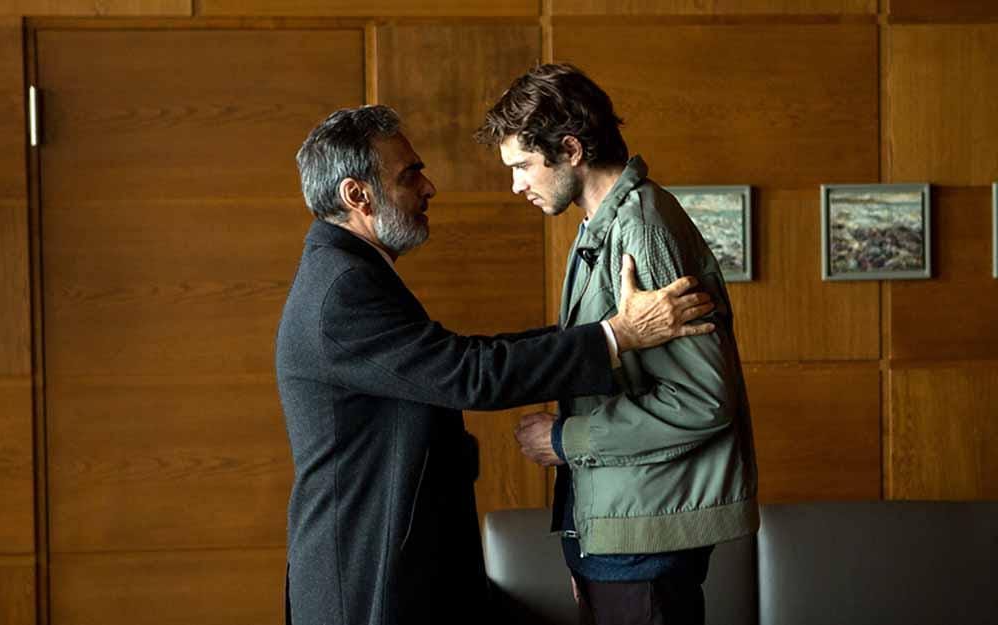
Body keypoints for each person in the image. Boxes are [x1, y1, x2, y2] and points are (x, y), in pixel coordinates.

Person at [275, 104, 718, 625]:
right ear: (357, 195)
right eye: (410, 174)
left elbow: (458, 358)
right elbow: (469, 375)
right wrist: (617, 335)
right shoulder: (342, 288)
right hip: (363, 574)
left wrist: (602, 329)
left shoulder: (347, 272)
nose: (428, 187)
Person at [476, 64, 759, 625]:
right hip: (618, 533)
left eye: (523, 166)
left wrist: (565, 438)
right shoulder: (601, 225)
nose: (516, 185)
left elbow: (703, 399)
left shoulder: (641, 230)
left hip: (642, 543)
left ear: (571, 149)